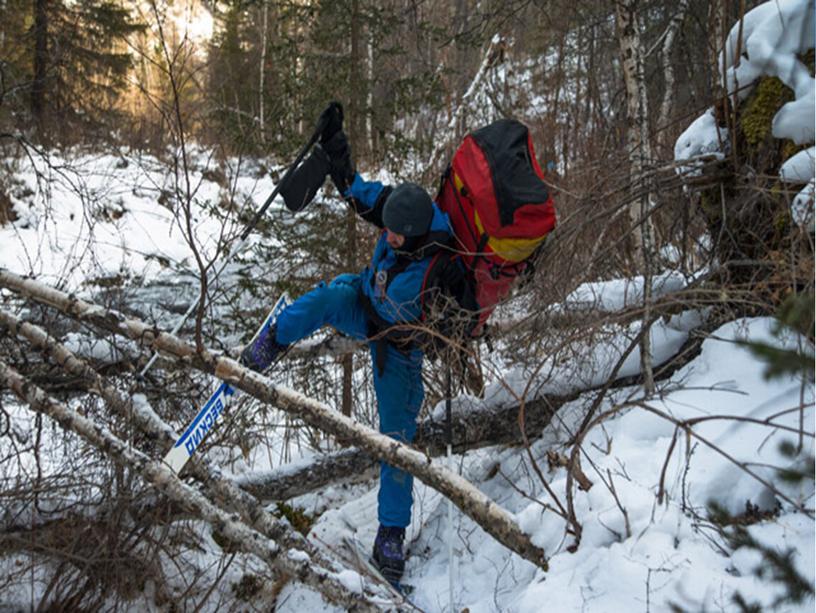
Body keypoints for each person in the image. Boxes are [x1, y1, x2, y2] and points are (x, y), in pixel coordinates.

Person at [240, 103, 452, 585]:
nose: (388, 235)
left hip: (399, 343)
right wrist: (337, 150)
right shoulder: (401, 210)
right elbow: (359, 192)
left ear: (416, 238)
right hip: (366, 298)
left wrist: (365, 295)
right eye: (387, 228)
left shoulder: (426, 269)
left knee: (397, 439)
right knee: (327, 296)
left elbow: (388, 307)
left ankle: (391, 535)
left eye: (395, 235)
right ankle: (273, 342)